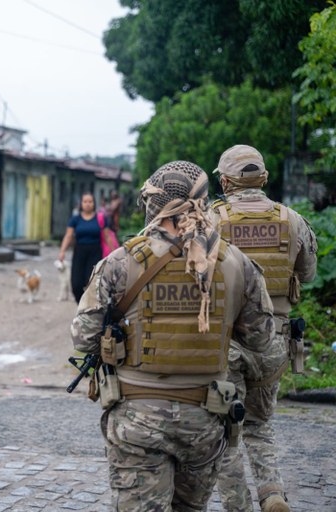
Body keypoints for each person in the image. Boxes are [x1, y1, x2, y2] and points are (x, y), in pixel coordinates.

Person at [71, 160, 275, 511]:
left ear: (152, 202)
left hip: (137, 421)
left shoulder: (120, 263)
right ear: (204, 201)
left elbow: (82, 337)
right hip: (206, 420)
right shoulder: (236, 264)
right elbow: (262, 343)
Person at [212, 145, 318, 512]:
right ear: (265, 179)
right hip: (275, 340)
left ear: (225, 182)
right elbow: (307, 274)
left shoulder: (211, 221)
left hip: (225, 343)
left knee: (225, 430)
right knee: (260, 423)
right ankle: (272, 494)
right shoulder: (292, 220)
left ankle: (236, 506)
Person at [58, 193, 103, 302]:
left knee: (90, 281)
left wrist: (113, 253)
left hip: (95, 252)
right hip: (79, 252)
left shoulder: (100, 218)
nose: (87, 204)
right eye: (85, 202)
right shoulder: (75, 219)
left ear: (94, 203)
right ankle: (81, 304)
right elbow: (68, 236)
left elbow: (107, 236)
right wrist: (62, 251)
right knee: (76, 284)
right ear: (81, 204)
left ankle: (89, 308)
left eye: (90, 202)